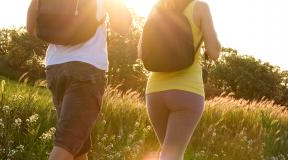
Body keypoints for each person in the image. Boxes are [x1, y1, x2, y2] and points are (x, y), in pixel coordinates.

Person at [26, 0, 131, 159]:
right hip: (86, 68)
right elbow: (122, 27)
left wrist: (61, 36)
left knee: (78, 148)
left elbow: (31, 27)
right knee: (66, 145)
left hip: (55, 67)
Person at [139, 0, 221, 159]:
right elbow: (214, 53)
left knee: (169, 153)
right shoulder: (200, 8)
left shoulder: (157, 7)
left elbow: (141, 52)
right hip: (187, 90)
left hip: (155, 91)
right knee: (172, 156)